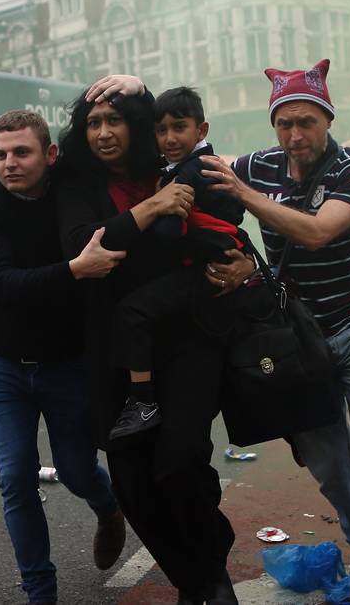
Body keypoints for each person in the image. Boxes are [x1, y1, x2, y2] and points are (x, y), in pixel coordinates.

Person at [197, 58, 350, 604]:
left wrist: (246, 195)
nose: (295, 135)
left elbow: (319, 233)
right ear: (273, 126)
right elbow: (183, 163)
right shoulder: (259, 164)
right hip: (300, 340)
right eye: (284, 124)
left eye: (306, 122)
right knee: (328, 464)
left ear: (328, 119)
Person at [58, 78, 253, 605]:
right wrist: (151, 209)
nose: (103, 132)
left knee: (181, 461)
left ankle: (210, 579)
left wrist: (246, 264)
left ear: (136, 125)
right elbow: (86, 246)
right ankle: (195, 576)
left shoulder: (171, 162)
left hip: (188, 339)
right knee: (131, 480)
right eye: (93, 123)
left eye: (114, 120)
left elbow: (226, 222)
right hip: (115, 352)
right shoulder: (77, 184)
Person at [0, 109, 128, 605]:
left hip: (66, 365)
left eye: (22, 152)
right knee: (15, 478)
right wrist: (75, 270)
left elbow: (103, 135)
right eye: (1, 155)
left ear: (49, 155)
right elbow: (0, 285)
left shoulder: (69, 191)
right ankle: (40, 591)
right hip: (5, 367)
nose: (9, 163)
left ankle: (108, 507)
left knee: (77, 472)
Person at [108, 86, 279, 441]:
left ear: (201, 130)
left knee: (132, 312)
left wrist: (140, 228)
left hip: (205, 273)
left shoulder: (190, 170)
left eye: (179, 127)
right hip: (213, 270)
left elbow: (169, 230)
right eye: (161, 130)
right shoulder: (202, 165)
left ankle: (142, 401)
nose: (169, 138)